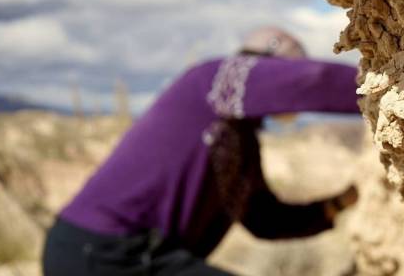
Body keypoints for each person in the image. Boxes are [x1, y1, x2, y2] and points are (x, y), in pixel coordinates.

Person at [42, 27, 361, 276]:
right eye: (290, 69)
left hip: (128, 254)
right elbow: (311, 81)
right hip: (102, 249)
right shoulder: (218, 78)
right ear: (273, 58)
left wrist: (337, 203)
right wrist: (383, 87)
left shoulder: (238, 137)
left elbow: (262, 217)